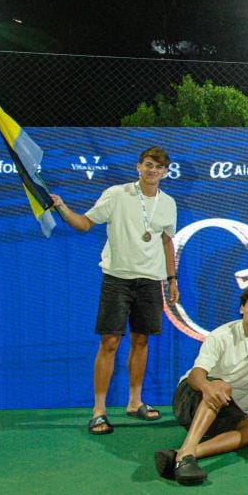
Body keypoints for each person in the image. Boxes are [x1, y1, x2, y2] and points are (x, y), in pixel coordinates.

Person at [51, 146, 178, 436]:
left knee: (141, 341)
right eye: (148, 165)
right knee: (109, 343)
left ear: (165, 172)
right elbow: (85, 223)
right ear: (138, 167)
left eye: (159, 167)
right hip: (117, 279)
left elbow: (166, 241)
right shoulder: (117, 194)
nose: (153, 171)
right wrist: (61, 207)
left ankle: (135, 402)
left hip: (151, 280)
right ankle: (99, 411)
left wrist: (172, 279)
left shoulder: (168, 203)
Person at [154, 286, 248, 485]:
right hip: (190, 398)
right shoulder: (221, 335)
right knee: (221, 386)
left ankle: (183, 454)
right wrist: (208, 387)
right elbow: (196, 374)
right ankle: (186, 454)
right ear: (242, 309)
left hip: (227, 408)